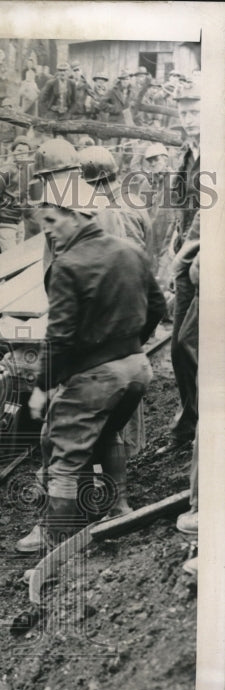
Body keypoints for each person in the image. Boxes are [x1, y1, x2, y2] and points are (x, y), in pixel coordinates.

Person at [18, 177, 165, 550]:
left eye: (52, 221)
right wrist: (130, 346)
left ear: (78, 215)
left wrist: (41, 388)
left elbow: (60, 337)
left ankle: (55, 544)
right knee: (108, 433)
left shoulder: (68, 265)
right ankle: (118, 506)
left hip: (97, 377)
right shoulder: (130, 251)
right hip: (137, 370)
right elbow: (159, 308)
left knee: (62, 453)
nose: (47, 231)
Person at [158, 83, 200, 455]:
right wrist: (174, 240)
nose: (188, 119)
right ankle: (189, 424)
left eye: (195, 110)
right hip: (188, 260)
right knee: (177, 346)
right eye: (184, 112)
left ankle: (200, 424)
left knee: (191, 342)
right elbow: (183, 207)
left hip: (205, 261)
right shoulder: (188, 154)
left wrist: (185, 251)